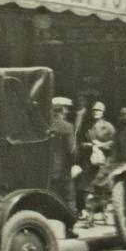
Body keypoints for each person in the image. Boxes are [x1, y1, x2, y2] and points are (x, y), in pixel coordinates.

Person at [49, 97, 78, 238]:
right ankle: (69, 229)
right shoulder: (67, 127)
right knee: (69, 199)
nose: (67, 111)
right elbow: (72, 150)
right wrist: (73, 164)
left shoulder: (45, 126)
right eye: (66, 108)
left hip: (48, 170)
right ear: (62, 110)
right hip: (63, 170)